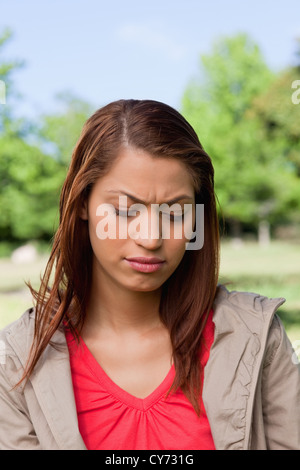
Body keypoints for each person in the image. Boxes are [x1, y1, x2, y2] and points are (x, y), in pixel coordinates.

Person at [0, 99, 299, 450]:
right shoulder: (18, 360)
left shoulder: (257, 337)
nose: (152, 237)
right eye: (126, 210)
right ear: (82, 204)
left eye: (175, 212)